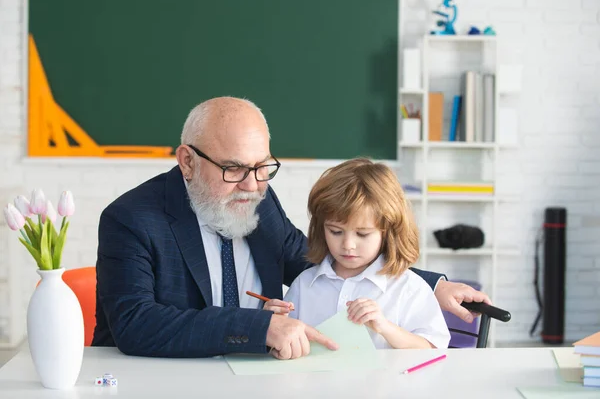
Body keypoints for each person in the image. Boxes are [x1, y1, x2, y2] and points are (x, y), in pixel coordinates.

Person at [92, 96, 489, 359]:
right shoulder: (130, 219)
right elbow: (136, 324)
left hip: (260, 379)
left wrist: (429, 284)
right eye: (234, 169)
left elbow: (322, 261)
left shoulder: (258, 198)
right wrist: (259, 326)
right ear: (187, 161)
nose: (252, 185)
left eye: (263, 167)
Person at [264, 158, 450, 349]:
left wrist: (385, 327)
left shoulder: (408, 288)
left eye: (362, 234)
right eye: (335, 232)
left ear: (388, 231)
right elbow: (284, 347)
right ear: (321, 229)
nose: (348, 245)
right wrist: (273, 326)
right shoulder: (304, 284)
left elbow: (433, 349)